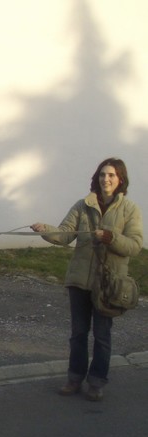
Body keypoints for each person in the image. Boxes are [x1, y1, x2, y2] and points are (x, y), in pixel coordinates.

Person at [31, 157, 143, 401]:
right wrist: (45, 229)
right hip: (79, 281)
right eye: (102, 174)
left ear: (120, 179)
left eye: (111, 175)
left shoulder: (129, 209)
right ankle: (74, 378)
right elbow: (65, 234)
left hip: (108, 285)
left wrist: (111, 238)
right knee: (78, 333)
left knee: (102, 336)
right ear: (97, 178)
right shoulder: (83, 205)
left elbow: (135, 246)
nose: (106, 179)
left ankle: (96, 382)